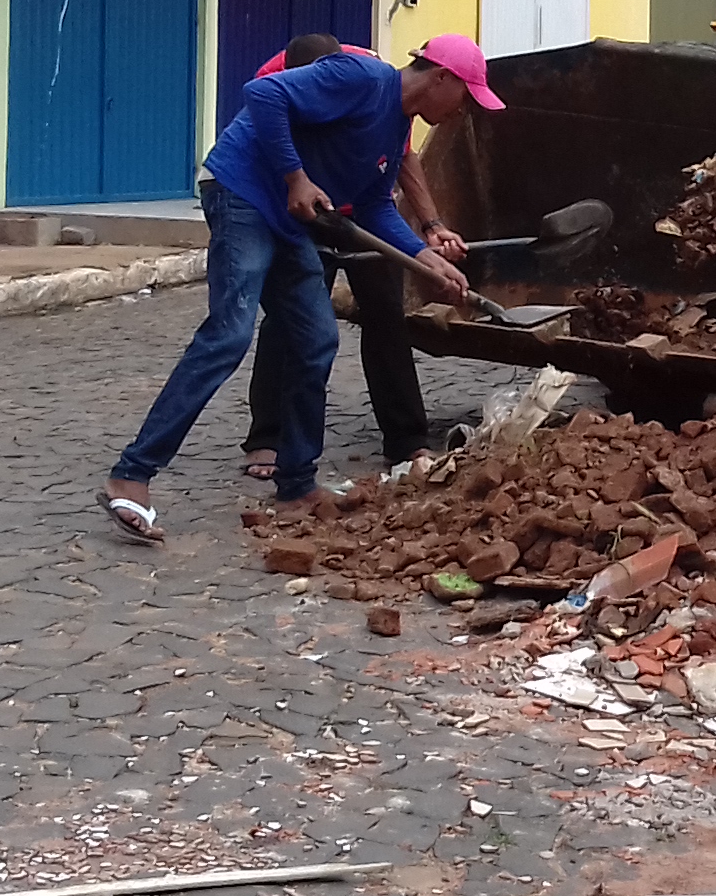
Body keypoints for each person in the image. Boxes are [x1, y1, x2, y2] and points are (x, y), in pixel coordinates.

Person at [100, 34, 504, 544]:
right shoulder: (362, 78)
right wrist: (296, 178)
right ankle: (133, 473)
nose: (464, 110)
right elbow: (262, 94)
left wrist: (426, 259)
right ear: (441, 77)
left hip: (290, 225)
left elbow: (377, 205)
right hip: (242, 192)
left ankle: (296, 484)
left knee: (317, 340)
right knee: (230, 334)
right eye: (466, 96)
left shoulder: (395, 128)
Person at [232, 42, 464, 482]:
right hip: (304, 209)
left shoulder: (374, 84)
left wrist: (429, 234)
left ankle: (406, 439)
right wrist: (295, 184)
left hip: (363, 210)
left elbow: (402, 161)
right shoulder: (276, 78)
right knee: (289, 320)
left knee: (386, 317)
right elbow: (263, 129)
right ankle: (268, 436)